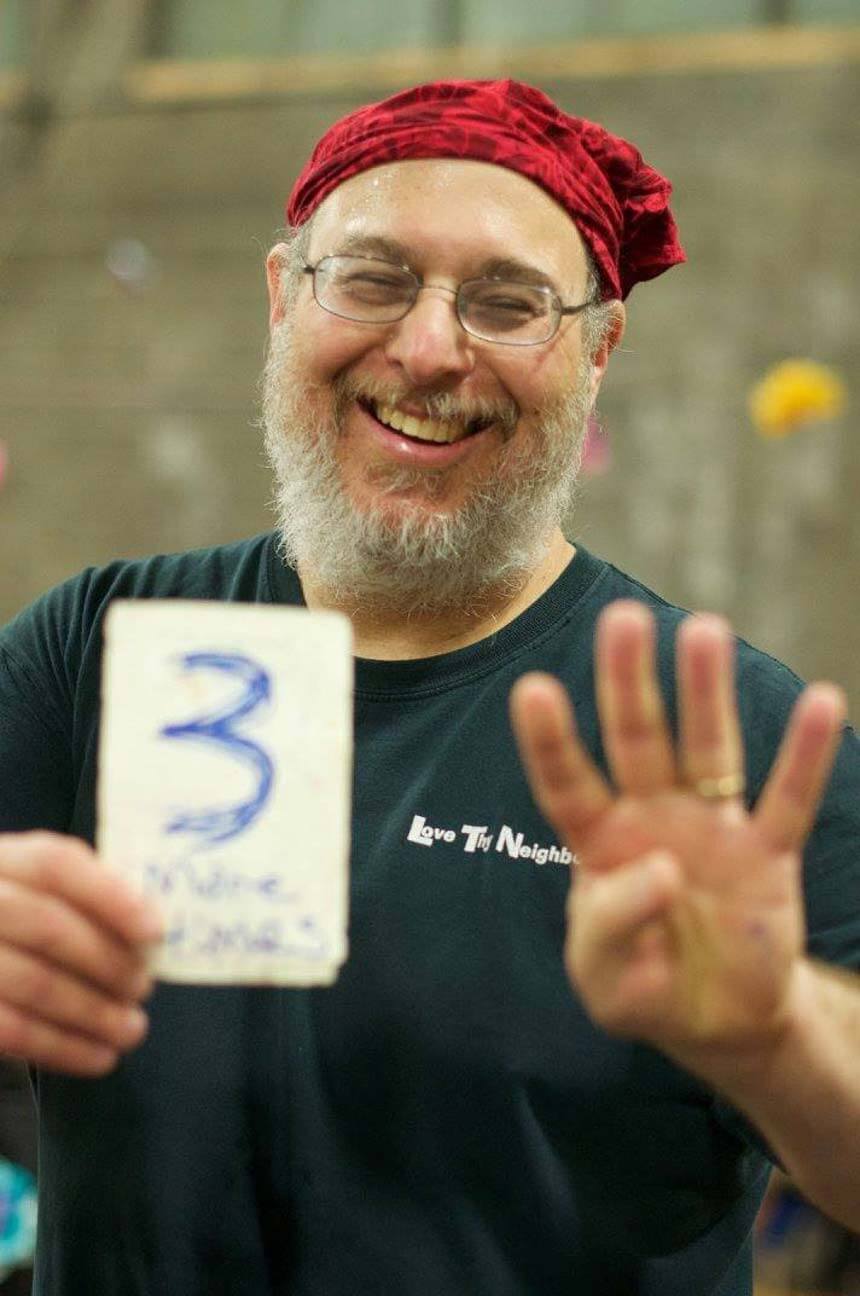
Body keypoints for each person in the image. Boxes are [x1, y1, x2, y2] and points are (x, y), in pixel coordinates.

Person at [0, 78, 857, 1296]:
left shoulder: (714, 739)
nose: (427, 349)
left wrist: (776, 1037)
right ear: (281, 297)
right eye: (371, 279)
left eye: (507, 303)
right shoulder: (95, 649)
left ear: (598, 352)